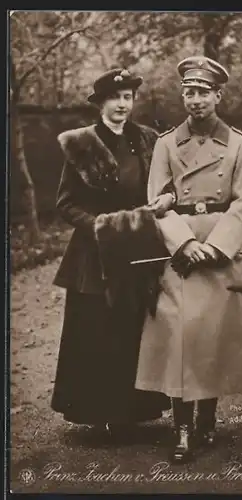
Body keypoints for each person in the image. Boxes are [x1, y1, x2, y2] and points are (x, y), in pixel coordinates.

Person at [135, 56, 242, 462]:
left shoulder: (240, 144)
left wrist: (217, 245)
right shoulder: (166, 143)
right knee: (180, 336)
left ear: (218, 96)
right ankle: (182, 429)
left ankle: (206, 422)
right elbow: (156, 199)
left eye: (203, 92)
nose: (195, 100)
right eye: (189, 92)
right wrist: (184, 243)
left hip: (221, 251)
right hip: (182, 251)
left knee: (213, 338)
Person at [51, 67, 173, 436]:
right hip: (95, 254)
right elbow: (66, 204)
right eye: (115, 98)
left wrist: (167, 199)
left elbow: (165, 188)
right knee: (96, 328)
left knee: (134, 328)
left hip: (137, 248)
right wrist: (101, 227)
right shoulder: (81, 143)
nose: (122, 104)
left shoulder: (148, 140)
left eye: (127, 97)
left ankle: (133, 411)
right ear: (100, 103)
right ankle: (97, 411)